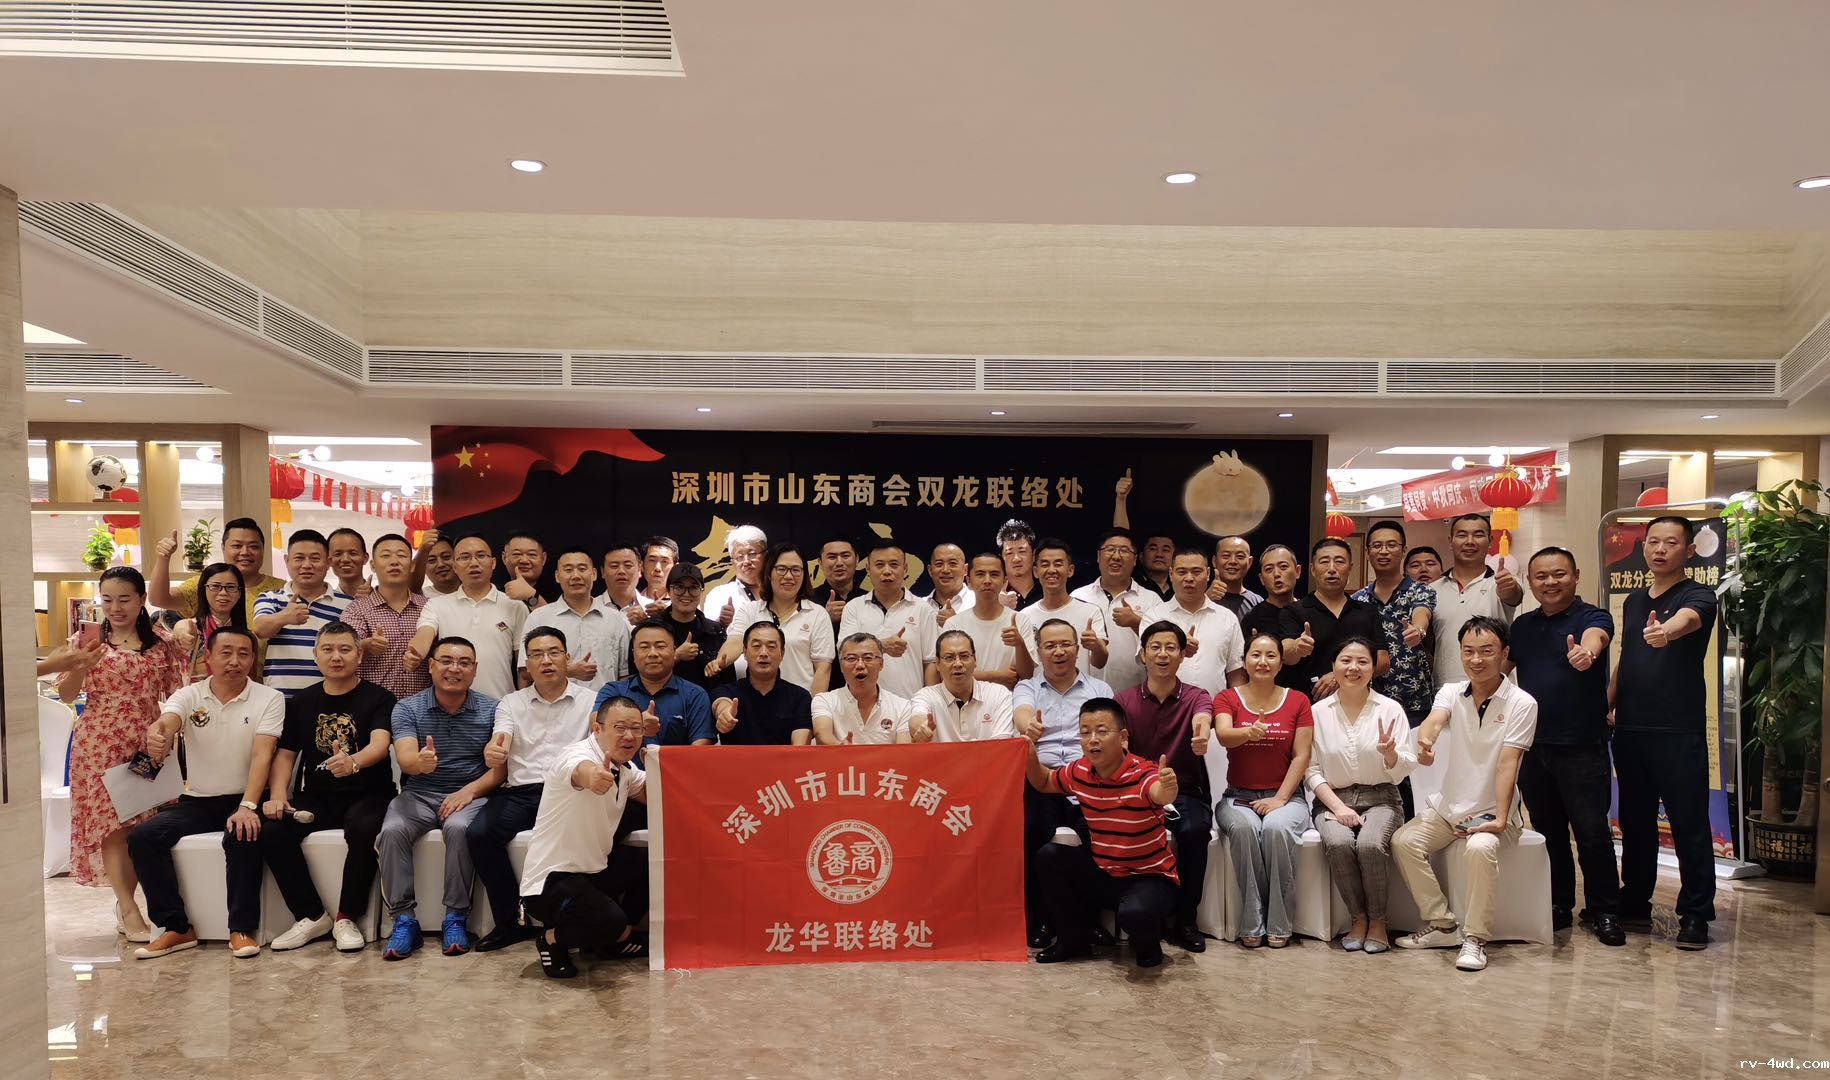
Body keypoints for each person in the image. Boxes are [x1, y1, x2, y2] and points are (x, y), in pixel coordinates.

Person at [128, 626, 286, 959]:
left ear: (253, 660)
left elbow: (263, 754)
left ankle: (241, 929)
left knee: (243, 834)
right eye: (226, 653)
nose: (234, 661)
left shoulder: (269, 698)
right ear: (208, 657)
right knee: (143, 837)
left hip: (246, 798)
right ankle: (176, 927)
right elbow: (168, 721)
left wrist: (248, 805)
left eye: (243, 654)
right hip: (198, 800)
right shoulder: (189, 695)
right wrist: (158, 733)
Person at [1395, 616, 1538, 972]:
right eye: (1468, 651)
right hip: (1449, 808)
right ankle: (1442, 924)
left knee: (1478, 848)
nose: (1476, 660)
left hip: (1494, 811)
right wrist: (1425, 742)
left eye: (1487, 651)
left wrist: (1500, 819)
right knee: (1403, 841)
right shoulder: (1451, 691)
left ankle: (1475, 938)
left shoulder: (1522, 703)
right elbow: (1434, 720)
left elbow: (1508, 763)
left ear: (1504, 653)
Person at [56, 566, 186, 943]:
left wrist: (167, 733)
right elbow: (66, 694)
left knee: (138, 826)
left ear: (142, 600)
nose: (115, 608)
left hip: (146, 742)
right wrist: (81, 665)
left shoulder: (161, 643)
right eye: (107, 600)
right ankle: (129, 908)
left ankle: (126, 903)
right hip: (97, 743)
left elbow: (176, 695)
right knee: (111, 827)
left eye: (125, 599)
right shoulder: (85, 641)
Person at [257, 622, 399, 952]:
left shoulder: (379, 697)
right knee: (273, 831)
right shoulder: (301, 701)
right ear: (316, 655)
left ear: (359, 655)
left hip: (371, 793)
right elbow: (286, 755)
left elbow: (380, 745)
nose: (337, 657)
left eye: (345, 650)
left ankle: (347, 917)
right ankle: (311, 915)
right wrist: (277, 796)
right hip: (318, 797)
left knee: (364, 829)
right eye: (328, 650)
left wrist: (353, 762)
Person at [1612, 516, 1718, 950]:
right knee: (1635, 823)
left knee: (1689, 823)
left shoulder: (1698, 594)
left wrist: (1665, 631)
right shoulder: (1635, 600)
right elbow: (1627, 658)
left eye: (1670, 543)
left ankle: (1695, 914)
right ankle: (1636, 900)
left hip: (1677, 728)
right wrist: (1607, 703)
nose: (1659, 549)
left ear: (1688, 550)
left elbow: (1688, 621)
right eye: (1653, 541)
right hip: (1630, 727)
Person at [1510, 547, 1625, 946]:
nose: (1550, 582)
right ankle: (1558, 903)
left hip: (1582, 745)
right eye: (1541, 576)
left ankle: (1605, 909)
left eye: (1559, 574)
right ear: (1530, 582)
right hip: (1533, 745)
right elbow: (1502, 668)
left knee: (1592, 832)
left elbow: (1598, 638)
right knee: (1549, 831)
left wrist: (1587, 652)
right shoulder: (1522, 626)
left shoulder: (1593, 617)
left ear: (1576, 575)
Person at [1025, 698, 1180, 968]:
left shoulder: (1142, 772)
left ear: (1123, 737)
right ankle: (1072, 941)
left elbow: (1159, 792)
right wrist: (1028, 752)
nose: (1092, 740)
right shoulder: (1080, 771)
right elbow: (1044, 781)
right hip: (1106, 875)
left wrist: (1168, 787)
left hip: (1150, 878)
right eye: (1085, 732)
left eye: (1101, 731)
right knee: (1050, 856)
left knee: (1136, 914)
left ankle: (1149, 945)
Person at [470, 627, 596, 952]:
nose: (546, 661)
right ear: (527, 664)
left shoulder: (591, 701)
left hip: (569, 793)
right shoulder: (511, 703)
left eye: (554, 652)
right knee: (480, 834)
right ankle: (509, 922)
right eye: (537, 655)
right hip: (521, 792)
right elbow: (501, 738)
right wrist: (494, 751)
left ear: (567, 658)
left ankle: (573, 921)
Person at [378, 636, 502, 960]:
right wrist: (419, 762)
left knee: (459, 829)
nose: (454, 669)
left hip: (469, 795)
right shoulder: (407, 708)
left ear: (474, 670)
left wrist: (468, 792)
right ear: (431, 666)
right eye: (446, 661)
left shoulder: (493, 710)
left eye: (463, 663)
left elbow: (500, 772)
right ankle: (403, 920)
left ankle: (456, 917)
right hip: (418, 794)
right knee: (391, 831)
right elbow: (405, 758)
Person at [520, 696, 651, 979]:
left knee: (648, 861)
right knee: (611, 921)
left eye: (636, 728)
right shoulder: (576, 756)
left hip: (592, 873)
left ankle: (615, 940)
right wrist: (593, 778)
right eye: (620, 727)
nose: (629, 736)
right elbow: (581, 772)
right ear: (597, 729)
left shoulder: (626, 769)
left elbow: (654, 793)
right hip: (550, 882)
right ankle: (551, 940)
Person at [1306, 637, 1415, 954]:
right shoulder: (1317, 713)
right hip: (1333, 799)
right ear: (1333, 666)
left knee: (1369, 844)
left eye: (1362, 661)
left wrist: (1391, 755)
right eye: (1346, 660)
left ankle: (1378, 921)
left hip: (1382, 798)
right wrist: (1339, 808)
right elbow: (1311, 770)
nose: (1353, 667)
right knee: (1338, 842)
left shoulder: (1390, 709)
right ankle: (1358, 919)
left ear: (1373, 668)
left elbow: (1403, 770)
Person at [1114, 621, 1216, 952]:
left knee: (1194, 832)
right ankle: (1141, 918)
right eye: (1155, 647)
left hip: (1185, 792)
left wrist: (1201, 735)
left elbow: (1203, 717)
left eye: (1171, 647)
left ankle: (1186, 920)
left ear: (1182, 655)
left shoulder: (1196, 696)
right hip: (1138, 792)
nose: (1162, 654)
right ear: (1143, 654)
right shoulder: (1124, 701)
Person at [1013, 619, 1115, 946]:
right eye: (1050, 646)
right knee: (1030, 830)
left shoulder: (1099, 690)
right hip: (1041, 780)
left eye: (1065, 644)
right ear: (1039, 651)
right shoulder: (1027, 687)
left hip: (1089, 780)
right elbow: (1022, 714)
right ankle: (1042, 921)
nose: (1059, 651)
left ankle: (1088, 920)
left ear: (1077, 648)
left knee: (1097, 835)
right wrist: (1029, 726)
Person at [1212, 631, 1315, 948]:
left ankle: (1280, 923)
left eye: (1271, 655)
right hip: (1237, 797)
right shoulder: (1227, 698)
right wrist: (1248, 733)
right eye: (1255, 654)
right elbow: (1224, 735)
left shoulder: (1298, 700)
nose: (1262, 661)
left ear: (1281, 663)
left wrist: (1280, 799)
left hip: (1287, 798)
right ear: (1244, 661)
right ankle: (1252, 922)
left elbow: (1302, 756)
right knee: (1244, 830)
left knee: (1275, 829)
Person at [407, 535, 528, 701]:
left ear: (493, 563)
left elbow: (523, 666)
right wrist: (415, 653)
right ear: (455, 566)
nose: (474, 563)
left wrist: (522, 705)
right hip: (451, 706)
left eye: (481, 556)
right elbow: (424, 634)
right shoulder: (436, 605)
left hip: (501, 705)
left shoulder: (515, 606)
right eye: (465, 557)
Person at [711, 543, 835, 693]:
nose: (788, 576)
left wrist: (814, 706)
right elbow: (735, 641)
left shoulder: (817, 614)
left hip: (800, 702)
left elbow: (823, 668)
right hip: (756, 700)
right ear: (769, 573)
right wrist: (720, 661)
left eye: (796, 570)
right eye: (781, 569)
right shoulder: (750, 610)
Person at [1280, 538, 1388, 699]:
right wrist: (1297, 647)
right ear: (1313, 569)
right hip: (1311, 703)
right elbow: (1286, 653)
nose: (1331, 569)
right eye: (1324, 562)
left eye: (1339, 561)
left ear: (1350, 568)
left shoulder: (1367, 611)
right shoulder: (1294, 611)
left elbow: (1383, 661)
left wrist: (1340, 676)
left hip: (1361, 701)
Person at [251, 529, 354, 696]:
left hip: (331, 698)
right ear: (287, 560)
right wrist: (285, 617)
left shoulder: (348, 604)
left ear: (328, 562)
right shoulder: (270, 598)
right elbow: (259, 629)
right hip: (281, 699)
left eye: (315, 558)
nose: (306, 565)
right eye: (299, 558)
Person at [1354, 521, 1435, 729]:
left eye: (1391, 545)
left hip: (1414, 702)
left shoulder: (1420, 590)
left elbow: (1422, 612)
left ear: (1403, 550)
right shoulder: (1358, 600)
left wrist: (1418, 630)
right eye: (1377, 546)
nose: (1384, 551)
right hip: (1369, 700)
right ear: (1367, 552)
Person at [520, 546, 631, 695]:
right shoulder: (539, 617)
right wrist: (568, 671)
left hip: (604, 705)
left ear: (594, 574)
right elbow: (525, 672)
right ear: (557, 576)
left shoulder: (615, 619)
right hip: (553, 705)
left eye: (582, 569)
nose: (576, 576)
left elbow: (625, 674)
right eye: (568, 570)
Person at [838, 541, 940, 698]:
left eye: (894, 565)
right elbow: (844, 652)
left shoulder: (923, 609)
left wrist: (930, 703)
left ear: (905, 569)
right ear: (868, 569)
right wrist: (882, 646)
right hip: (860, 703)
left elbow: (931, 662)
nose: (887, 571)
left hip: (910, 703)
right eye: (879, 565)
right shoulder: (854, 607)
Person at [1428, 514, 1522, 684]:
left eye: (1478, 535)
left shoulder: (1502, 582)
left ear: (1490, 541)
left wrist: (1508, 587)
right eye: (1462, 535)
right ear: (1450, 541)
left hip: (1493, 687)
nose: (1470, 541)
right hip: (1444, 687)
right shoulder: (1432, 590)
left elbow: (1513, 595)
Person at [595, 622, 717, 748]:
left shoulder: (695, 695)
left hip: (676, 761)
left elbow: (700, 748)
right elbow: (596, 725)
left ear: (674, 651)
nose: (653, 653)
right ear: (634, 654)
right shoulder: (613, 691)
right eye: (644, 647)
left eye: (660, 646)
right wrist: (636, 725)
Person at [341, 533, 431, 702]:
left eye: (401, 556)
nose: (394, 562)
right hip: (373, 707)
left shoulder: (429, 607)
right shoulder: (357, 609)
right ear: (373, 566)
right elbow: (343, 652)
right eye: (385, 556)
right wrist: (366, 645)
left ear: (412, 565)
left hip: (421, 707)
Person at [1145, 547, 1246, 696]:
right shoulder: (1154, 616)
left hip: (1214, 706)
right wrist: (1177, 647)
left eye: (1196, 572)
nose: (1189, 578)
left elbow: (1236, 672)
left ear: (1208, 574)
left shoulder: (1227, 618)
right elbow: (1145, 660)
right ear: (1171, 574)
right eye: (1182, 572)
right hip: (1165, 706)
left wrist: (1235, 705)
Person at [149, 516, 286, 623]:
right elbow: (158, 599)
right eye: (237, 546)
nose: (245, 552)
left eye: (254, 546)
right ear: (223, 548)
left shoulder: (281, 589)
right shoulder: (207, 584)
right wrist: (163, 559)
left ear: (263, 549)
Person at [1071, 528, 1152, 693]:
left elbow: (1162, 642)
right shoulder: (1078, 596)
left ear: (1135, 559)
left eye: (1124, 550)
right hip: (1084, 693)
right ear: (1098, 556)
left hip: (1134, 692)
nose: (1116, 556)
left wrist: (1136, 622)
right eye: (1110, 549)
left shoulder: (1151, 599)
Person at [1016, 539, 1109, 678]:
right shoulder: (1024, 616)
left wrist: (1095, 645)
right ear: (1035, 571)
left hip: (1081, 689)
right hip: (1038, 690)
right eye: (1045, 564)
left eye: (1058, 564)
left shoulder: (1091, 611)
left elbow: (1100, 663)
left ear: (1070, 570)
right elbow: (1023, 672)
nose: (1051, 570)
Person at [712, 623, 815, 746]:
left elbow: (799, 747)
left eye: (771, 647)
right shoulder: (727, 691)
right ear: (745, 652)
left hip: (784, 759)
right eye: (756, 646)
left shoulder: (800, 697)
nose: (763, 653)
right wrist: (724, 714)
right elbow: (721, 703)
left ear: (782, 653)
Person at [910, 629, 1018, 742]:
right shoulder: (926, 695)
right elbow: (916, 718)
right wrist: (922, 727)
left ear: (975, 660)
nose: (958, 664)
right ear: (937, 664)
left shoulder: (998, 694)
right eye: (949, 657)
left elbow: (1002, 745)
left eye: (964, 656)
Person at [812, 633, 915, 744]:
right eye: (851, 659)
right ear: (841, 666)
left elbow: (903, 748)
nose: (860, 665)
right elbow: (822, 733)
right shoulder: (825, 701)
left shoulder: (902, 707)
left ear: (881, 664)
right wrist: (840, 747)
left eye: (868, 658)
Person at [646, 564, 732, 692]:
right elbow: (639, 675)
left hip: (708, 702)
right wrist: (675, 657)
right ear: (668, 590)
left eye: (694, 588)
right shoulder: (649, 629)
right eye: (679, 587)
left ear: (702, 591)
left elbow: (729, 683)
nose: (686, 594)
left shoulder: (715, 631)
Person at [945, 553, 1025, 688]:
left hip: (1011, 699)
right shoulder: (953, 624)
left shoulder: (1020, 620)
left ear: (1005, 581)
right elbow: (947, 674)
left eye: (994, 574)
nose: (987, 580)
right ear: (968, 581)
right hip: (966, 699)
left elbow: (1028, 675)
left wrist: (1020, 644)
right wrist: (997, 676)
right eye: (980, 574)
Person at [171, 562, 247, 683]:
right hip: (199, 694)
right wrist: (182, 632)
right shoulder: (195, 628)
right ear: (203, 590)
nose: (223, 593)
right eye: (215, 586)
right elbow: (182, 627)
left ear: (239, 593)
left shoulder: (246, 634)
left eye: (230, 587)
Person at [705, 524, 767, 626]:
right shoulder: (720, 594)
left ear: (765, 555)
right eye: (740, 556)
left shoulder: (778, 591)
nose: (746, 561)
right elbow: (708, 632)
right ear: (733, 562)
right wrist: (721, 622)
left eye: (752, 554)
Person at [1240, 544, 1302, 642]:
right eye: (1269, 569)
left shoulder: (1308, 612)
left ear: (1297, 571)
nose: (1276, 574)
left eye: (1283, 567)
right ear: (1261, 579)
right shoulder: (1252, 618)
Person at [1208, 536, 1264, 620]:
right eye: (1226, 556)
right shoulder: (1200, 598)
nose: (1233, 561)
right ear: (1214, 561)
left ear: (1249, 562)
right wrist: (1206, 600)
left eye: (1240, 556)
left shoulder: (1258, 602)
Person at [812, 535, 862, 628]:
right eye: (832, 557)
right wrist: (825, 618)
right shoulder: (808, 601)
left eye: (845, 556)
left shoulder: (869, 600)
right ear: (820, 563)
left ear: (857, 560)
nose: (839, 563)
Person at [996, 519, 1043, 608]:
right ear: (1001, 559)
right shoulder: (993, 595)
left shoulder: (1047, 591)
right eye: (1009, 553)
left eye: (1022, 551)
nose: (1016, 559)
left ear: (1034, 555)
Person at [501, 531, 552, 610]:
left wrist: (530, 595)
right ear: (504, 558)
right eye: (517, 554)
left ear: (543, 559)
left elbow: (553, 618)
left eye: (532, 554)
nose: (524, 560)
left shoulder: (561, 590)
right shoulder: (493, 591)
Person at [922, 542, 972, 622]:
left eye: (952, 563)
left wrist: (955, 624)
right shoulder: (919, 606)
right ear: (930, 570)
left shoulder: (981, 603)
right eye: (939, 564)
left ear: (965, 569)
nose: (945, 570)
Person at [598, 543, 646, 618]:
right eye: (614, 566)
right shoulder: (590, 608)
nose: (621, 571)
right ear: (603, 571)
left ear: (639, 569)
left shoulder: (652, 610)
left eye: (628, 565)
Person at [413, 529, 461, 597]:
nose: (440, 564)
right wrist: (423, 549)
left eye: (446, 557)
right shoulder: (420, 598)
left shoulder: (474, 588)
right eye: (431, 560)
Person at [328, 527, 374, 598]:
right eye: (338, 554)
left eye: (353, 553)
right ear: (329, 560)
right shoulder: (322, 602)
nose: (345, 559)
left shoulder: (383, 598)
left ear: (365, 558)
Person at [638, 535, 679, 613]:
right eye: (652, 560)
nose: (657, 568)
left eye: (664, 561)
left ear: (675, 568)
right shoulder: (631, 602)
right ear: (642, 566)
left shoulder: (685, 604)